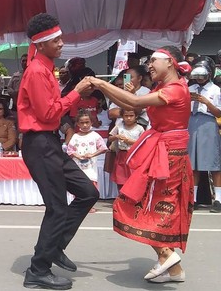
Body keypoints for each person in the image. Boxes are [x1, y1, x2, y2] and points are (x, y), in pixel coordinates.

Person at [86, 45, 193, 284]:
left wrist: (102, 84)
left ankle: (167, 255)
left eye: (154, 60)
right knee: (148, 205)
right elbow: (132, 104)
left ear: (171, 63)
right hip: (165, 151)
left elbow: (133, 101)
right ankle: (173, 268)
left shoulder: (175, 90)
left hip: (168, 156)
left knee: (141, 204)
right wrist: (109, 89)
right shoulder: (164, 88)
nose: (150, 65)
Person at [18, 13, 98, 290]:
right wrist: (76, 92)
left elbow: (51, 113)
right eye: (57, 40)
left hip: (48, 142)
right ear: (40, 44)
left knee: (89, 193)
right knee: (57, 208)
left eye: (61, 38)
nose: (63, 44)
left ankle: (53, 248)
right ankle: (38, 269)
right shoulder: (37, 72)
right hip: (40, 144)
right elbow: (49, 112)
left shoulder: (45, 68)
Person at [187, 57, 221, 213]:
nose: (200, 79)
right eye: (198, 75)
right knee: (193, 163)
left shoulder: (216, 90)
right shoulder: (190, 88)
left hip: (208, 123)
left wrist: (206, 102)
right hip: (191, 123)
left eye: (203, 75)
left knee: (213, 163)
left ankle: (218, 199)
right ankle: (192, 199)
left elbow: (218, 112)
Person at [66, 111, 108, 213]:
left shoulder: (95, 135)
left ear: (91, 123)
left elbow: (103, 148)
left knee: (91, 185)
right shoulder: (75, 137)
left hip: (90, 167)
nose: (85, 125)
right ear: (78, 124)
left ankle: (89, 205)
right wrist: (77, 156)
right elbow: (69, 150)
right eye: (82, 123)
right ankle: (79, 205)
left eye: (87, 122)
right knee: (79, 186)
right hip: (78, 166)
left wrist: (92, 155)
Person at [108, 109, 144, 190]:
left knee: (133, 178)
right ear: (122, 117)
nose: (128, 118)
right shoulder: (119, 126)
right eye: (126, 116)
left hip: (134, 156)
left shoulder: (139, 128)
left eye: (131, 116)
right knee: (121, 178)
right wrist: (116, 136)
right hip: (122, 155)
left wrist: (129, 141)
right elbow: (110, 138)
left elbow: (143, 143)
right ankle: (121, 198)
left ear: (136, 117)